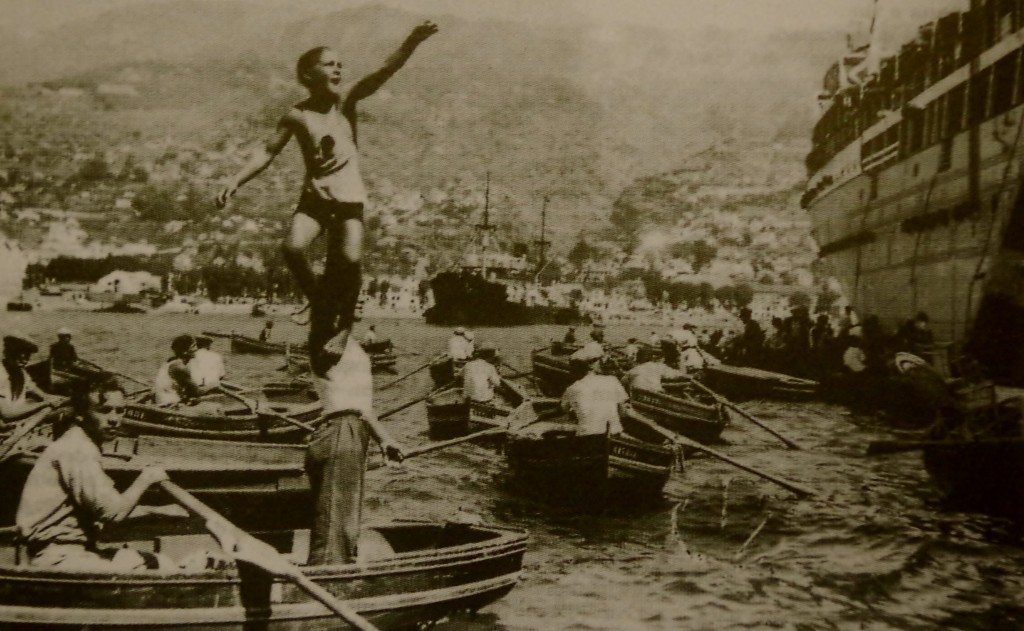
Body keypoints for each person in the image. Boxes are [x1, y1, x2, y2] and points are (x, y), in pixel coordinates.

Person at [216, 21, 439, 359]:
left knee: (350, 260)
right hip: (315, 199)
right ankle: (318, 300)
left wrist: (411, 42)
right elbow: (267, 151)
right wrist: (235, 179)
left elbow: (383, 70)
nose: (338, 68)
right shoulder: (296, 115)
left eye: (340, 64)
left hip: (350, 201)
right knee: (292, 248)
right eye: (329, 63)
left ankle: (345, 325)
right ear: (307, 74)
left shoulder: (346, 100)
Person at [15, 377, 187, 570]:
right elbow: (112, 513)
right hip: (55, 557)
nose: (114, 419)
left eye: (120, 411)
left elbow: (101, 507)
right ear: (80, 414)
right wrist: (147, 477)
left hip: (75, 550)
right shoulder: (78, 449)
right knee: (155, 571)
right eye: (104, 411)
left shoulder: (82, 442)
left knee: (162, 563)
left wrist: (158, 510)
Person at [307, 333, 404, 565]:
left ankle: (332, 570)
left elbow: (361, 405)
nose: (359, 298)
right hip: (341, 429)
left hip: (353, 428)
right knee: (335, 524)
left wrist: (384, 439)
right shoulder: (328, 336)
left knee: (342, 523)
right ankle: (326, 582)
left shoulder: (350, 343)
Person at [560, 352, 629, 437]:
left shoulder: (572, 389)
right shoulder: (612, 380)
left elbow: (565, 409)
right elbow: (623, 412)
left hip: (588, 436)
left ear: (572, 372)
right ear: (589, 368)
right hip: (613, 433)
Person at [0, 336, 60, 422]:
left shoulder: (20, 372)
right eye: (20, 358)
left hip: (17, 419)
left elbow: (43, 395)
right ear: (9, 354)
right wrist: (44, 404)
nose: (25, 362)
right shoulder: (1, 374)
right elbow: (7, 414)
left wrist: (63, 399)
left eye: (27, 357)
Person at [153, 335, 207, 405]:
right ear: (184, 352)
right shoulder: (179, 367)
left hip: (164, 401)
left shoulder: (171, 362)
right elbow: (196, 392)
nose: (197, 349)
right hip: (169, 404)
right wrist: (215, 385)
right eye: (193, 346)